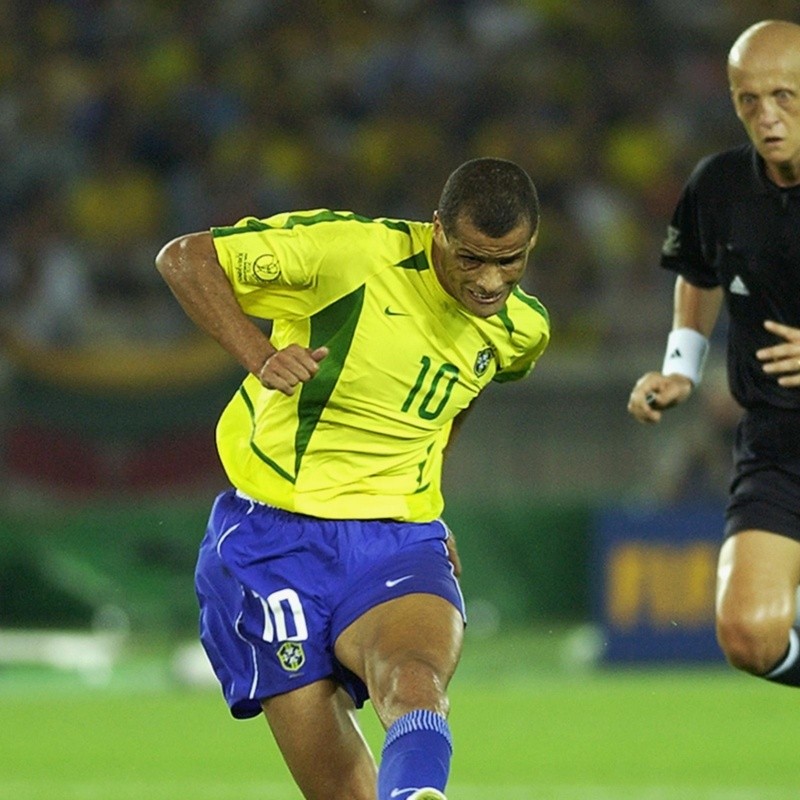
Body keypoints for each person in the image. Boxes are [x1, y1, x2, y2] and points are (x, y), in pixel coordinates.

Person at [155, 157, 550, 800]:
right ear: (437, 231)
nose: (489, 281)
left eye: (510, 261)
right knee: (342, 791)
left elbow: (460, 395)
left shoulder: (522, 330)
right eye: (472, 258)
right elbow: (184, 258)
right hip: (271, 541)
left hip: (398, 539)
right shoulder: (347, 254)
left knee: (414, 682)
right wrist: (259, 355)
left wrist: (426, 496)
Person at [628, 19, 800, 688]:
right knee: (748, 633)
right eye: (749, 100)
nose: (768, 116)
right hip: (776, 445)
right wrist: (680, 368)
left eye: (786, 96)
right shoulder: (720, 186)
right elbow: (698, 272)